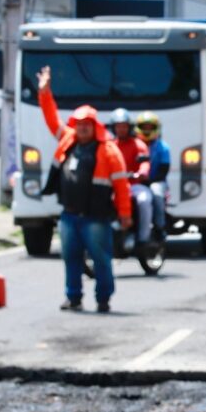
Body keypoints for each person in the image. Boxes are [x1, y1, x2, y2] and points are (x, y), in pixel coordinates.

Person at [36, 65, 133, 313]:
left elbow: (122, 185)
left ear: (94, 125)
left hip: (96, 217)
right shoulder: (68, 140)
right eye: (78, 124)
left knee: (101, 259)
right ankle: (74, 297)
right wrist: (44, 93)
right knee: (71, 258)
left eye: (86, 124)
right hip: (70, 215)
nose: (82, 128)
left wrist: (125, 213)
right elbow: (50, 119)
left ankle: (103, 299)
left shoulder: (109, 150)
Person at [108, 107, 151, 249]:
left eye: (124, 127)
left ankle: (143, 238)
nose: (121, 130)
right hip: (114, 186)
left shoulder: (138, 145)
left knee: (144, 201)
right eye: (118, 127)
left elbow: (144, 162)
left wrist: (141, 172)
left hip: (134, 185)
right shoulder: (109, 146)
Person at [134, 110, 171, 240]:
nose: (147, 130)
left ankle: (159, 226)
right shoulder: (134, 145)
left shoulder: (163, 147)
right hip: (136, 181)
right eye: (144, 127)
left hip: (156, 181)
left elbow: (163, 170)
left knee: (156, 194)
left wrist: (148, 180)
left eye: (150, 127)